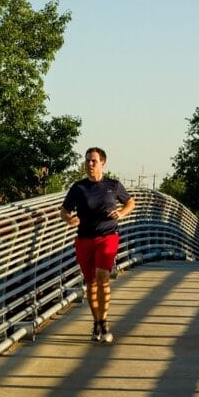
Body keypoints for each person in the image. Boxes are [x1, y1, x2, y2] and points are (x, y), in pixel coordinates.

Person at [61, 147, 136, 343]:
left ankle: (103, 322)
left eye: (93, 161)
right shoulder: (78, 188)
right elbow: (64, 211)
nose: (89, 164)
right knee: (91, 283)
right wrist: (69, 220)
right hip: (84, 239)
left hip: (108, 236)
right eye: (87, 161)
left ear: (103, 163)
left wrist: (121, 213)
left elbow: (130, 203)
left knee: (102, 277)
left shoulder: (113, 185)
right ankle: (97, 322)